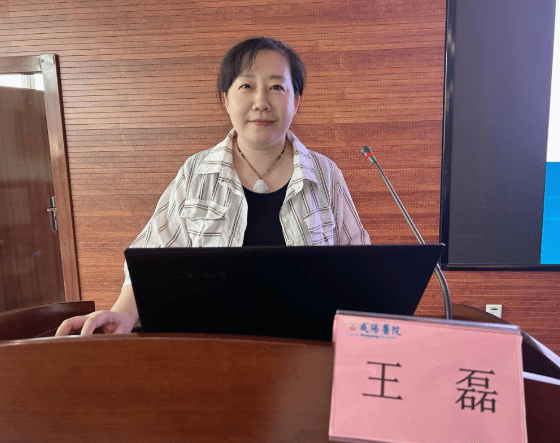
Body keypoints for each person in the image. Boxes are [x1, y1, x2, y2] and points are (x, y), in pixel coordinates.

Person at [56, 37, 370, 337]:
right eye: (247, 86)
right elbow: (151, 257)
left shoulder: (325, 175)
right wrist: (123, 313)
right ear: (226, 99)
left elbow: (360, 269)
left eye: (276, 87)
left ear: (296, 101)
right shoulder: (196, 173)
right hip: (214, 351)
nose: (261, 102)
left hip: (307, 349)